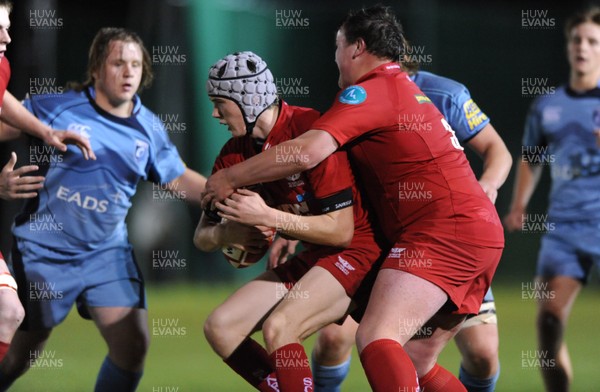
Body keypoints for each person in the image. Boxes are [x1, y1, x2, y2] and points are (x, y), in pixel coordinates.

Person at [202, 5, 504, 391]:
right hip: (468, 233)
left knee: (376, 337)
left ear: (358, 48)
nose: (335, 58)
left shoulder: (371, 89)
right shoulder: (401, 88)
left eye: (338, 46)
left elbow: (307, 151)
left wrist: (231, 178)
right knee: (415, 360)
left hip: (442, 233)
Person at [0, 27, 206, 391]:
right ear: (96, 69)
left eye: (136, 64)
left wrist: (228, 193)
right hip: (44, 250)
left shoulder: (149, 128)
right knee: (22, 351)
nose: (128, 72)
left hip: (106, 254)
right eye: (118, 63)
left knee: (132, 347)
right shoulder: (56, 106)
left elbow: (178, 179)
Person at [309, 66, 511, 392]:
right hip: (382, 242)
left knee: (482, 354)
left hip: (446, 239)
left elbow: (497, 150)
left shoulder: (444, 94)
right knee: (334, 337)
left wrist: (486, 188)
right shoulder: (356, 96)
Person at [195, 51, 386, 392]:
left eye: (220, 103)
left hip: (358, 251)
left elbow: (341, 231)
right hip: (317, 255)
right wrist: (227, 232)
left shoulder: (310, 130)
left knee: (280, 327)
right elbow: (201, 237)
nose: (214, 114)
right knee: (221, 327)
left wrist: (269, 217)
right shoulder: (232, 154)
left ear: (247, 99)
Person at [503, 6, 600, 392]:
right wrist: (519, 204)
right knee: (548, 322)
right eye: (577, 39)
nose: (583, 47)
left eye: (593, 41)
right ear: (567, 45)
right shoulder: (547, 106)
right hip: (564, 228)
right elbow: (531, 156)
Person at [0, 0, 95, 365]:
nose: (8, 36)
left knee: (9, 310)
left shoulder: (2, 65)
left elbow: (3, 101)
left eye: (8, 26)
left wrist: (46, 130)